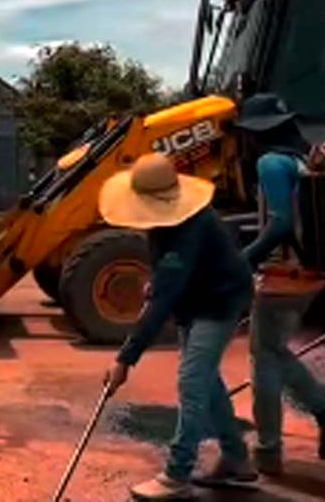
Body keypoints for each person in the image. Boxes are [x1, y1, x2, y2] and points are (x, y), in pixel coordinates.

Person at [100, 153, 255, 501]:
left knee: (192, 381)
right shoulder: (163, 224)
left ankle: (177, 473)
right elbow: (171, 276)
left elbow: (164, 300)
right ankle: (236, 458)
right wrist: (160, 280)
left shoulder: (191, 225)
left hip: (220, 302)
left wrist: (125, 358)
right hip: (196, 298)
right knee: (206, 380)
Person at [233, 94, 325, 475]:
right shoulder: (302, 159)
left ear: (256, 133)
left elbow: (281, 222)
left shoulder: (270, 162)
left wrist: (244, 259)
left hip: (283, 275)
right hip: (310, 273)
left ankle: (270, 450)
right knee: (273, 352)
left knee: (263, 360)